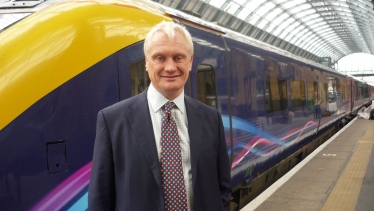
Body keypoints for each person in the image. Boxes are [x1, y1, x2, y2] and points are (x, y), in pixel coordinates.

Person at [88, 21, 232, 211]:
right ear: (147, 63)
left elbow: (222, 189)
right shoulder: (113, 121)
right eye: (160, 58)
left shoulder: (211, 118)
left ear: (190, 62)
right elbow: (100, 200)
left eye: (178, 57)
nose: (170, 67)